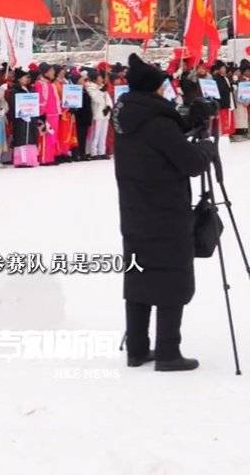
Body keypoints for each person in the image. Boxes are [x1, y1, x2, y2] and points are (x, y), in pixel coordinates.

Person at [113, 53, 215, 372]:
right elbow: (191, 163)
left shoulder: (129, 116)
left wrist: (187, 121)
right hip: (166, 212)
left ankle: (138, 349)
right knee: (171, 276)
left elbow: (162, 137)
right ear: (154, 90)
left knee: (140, 275)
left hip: (135, 210)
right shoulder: (157, 122)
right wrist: (205, 148)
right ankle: (169, 351)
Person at [7, 69, 39, 167]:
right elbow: (13, 104)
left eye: (28, 77)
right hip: (20, 119)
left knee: (31, 138)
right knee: (21, 138)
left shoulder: (30, 89)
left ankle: (30, 159)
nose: (27, 79)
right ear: (19, 79)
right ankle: (21, 160)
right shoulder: (14, 91)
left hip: (31, 118)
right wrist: (21, 114)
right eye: (25, 77)